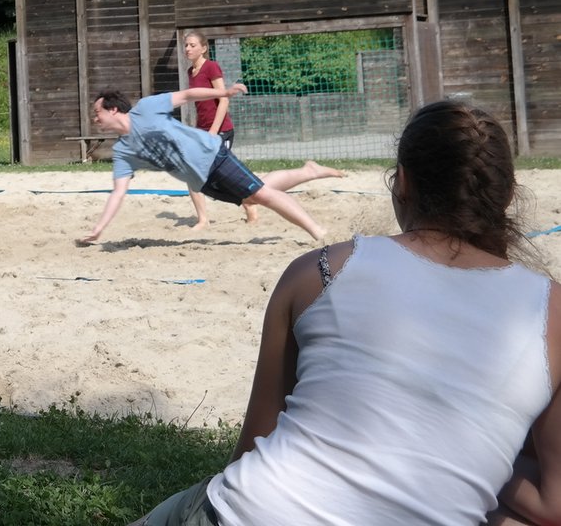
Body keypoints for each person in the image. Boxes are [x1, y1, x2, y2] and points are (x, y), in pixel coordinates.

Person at [136, 101, 561, 526]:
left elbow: (254, 444)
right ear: (507, 195)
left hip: (250, 512)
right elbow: (551, 505)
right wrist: (477, 459)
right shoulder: (552, 312)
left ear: (403, 182)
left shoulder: (321, 271)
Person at [76, 87, 337, 245]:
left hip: (212, 156)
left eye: (97, 113)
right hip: (201, 181)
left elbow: (187, 95)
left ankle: (318, 232)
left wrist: (223, 93)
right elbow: (119, 192)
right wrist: (99, 228)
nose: (95, 119)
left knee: (262, 195)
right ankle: (309, 171)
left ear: (113, 109)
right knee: (254, 196)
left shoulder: (145, 108)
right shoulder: (123, 151)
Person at [182, 31, 242, 230]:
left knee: (224, 176)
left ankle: (250, 205)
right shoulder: (191, 72)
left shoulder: (211, 67)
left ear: (203, 48)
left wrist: (213, 132)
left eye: (192, 45)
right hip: (203, 131)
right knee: (191, 172)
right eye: (186, 45)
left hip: (221, 130)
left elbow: (223, 99)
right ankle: (203, 219)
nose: (188, 49)